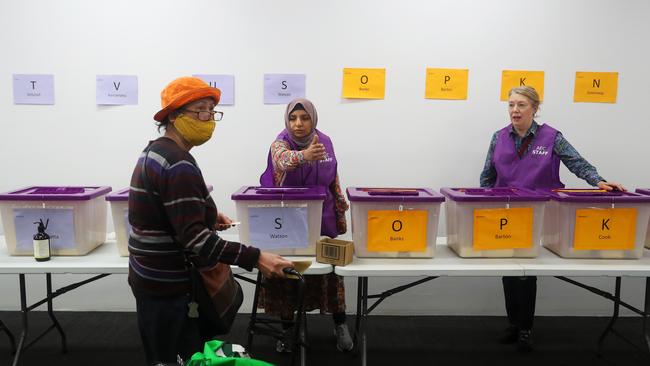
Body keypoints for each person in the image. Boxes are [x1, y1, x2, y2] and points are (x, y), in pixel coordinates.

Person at [128, 76, 293, 365]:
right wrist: (256, 258)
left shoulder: (154, 152)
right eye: (201, 110)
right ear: (174, 116)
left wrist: (205, 214)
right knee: (180, 357)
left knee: (161, 354)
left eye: (212, 111)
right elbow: (197, 241)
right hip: (170, 286)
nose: (209, 119)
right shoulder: (179, 163)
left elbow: (163, 212)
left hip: (149, 278)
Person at [480, 86, 625, 352]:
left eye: (521, 105)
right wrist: (483, 206)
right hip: (507, 213)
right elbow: (487, 176)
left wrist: (599, 181)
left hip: (541, 213)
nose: (515, 110)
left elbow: (577, 163)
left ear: (535, 108)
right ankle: (513, 324)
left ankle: (525, 329)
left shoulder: (552, 137)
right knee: (509, 272)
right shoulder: (498, 137)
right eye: (511, 104)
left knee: (528, 273)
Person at [258, 98, 353, 352]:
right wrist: (304, 155)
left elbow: (333, 176)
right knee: (289, 274)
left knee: (331, 275)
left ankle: (340, 324)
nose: (298, 124)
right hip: (288, 220)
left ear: (313, 119)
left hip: (323, 218)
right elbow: (283, 161)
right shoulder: (280, 142)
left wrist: (340, 207)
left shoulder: (326, 141)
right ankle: (288, 330)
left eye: (304, 118)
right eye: (293, 118)